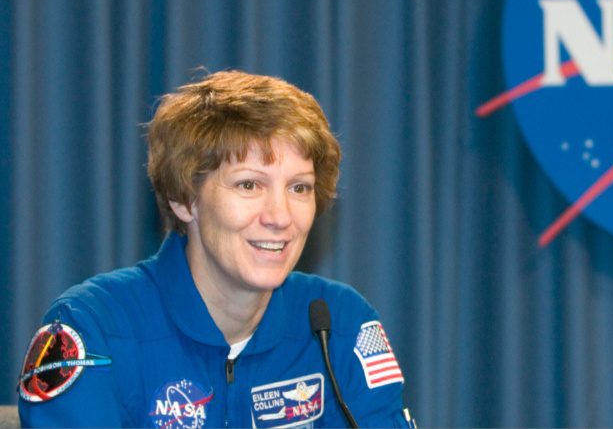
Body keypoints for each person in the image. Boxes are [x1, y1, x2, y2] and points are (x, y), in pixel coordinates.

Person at [17, 70, 414, 428]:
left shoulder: (338, 324)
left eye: (299, 188)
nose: (280, 216)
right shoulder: (95, 326)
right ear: (184, 199)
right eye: (249, 185)